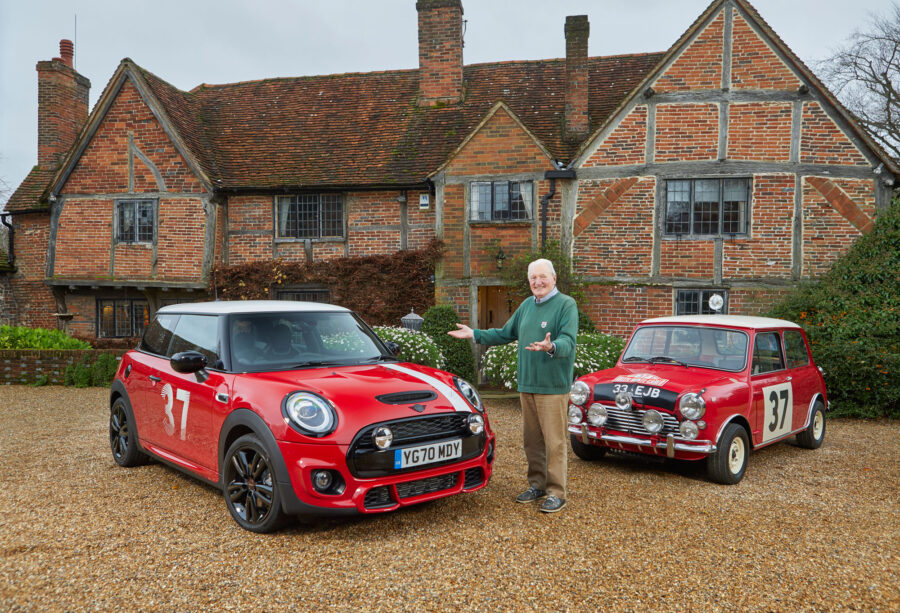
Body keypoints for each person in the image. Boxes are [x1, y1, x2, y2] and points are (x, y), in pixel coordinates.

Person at [449, 258, 577, 513]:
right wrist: (474, 334)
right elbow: (505, 333)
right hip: (527, 385)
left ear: (554, 278)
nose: (537, 282)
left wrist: (551, 346)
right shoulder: (527, 306)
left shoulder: (566, 305)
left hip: (552, 387)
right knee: (532, 441)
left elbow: (568, 342)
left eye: (542, 277)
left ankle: (556, 492)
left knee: (555, 442)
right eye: (533, 278)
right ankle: (537, 485)